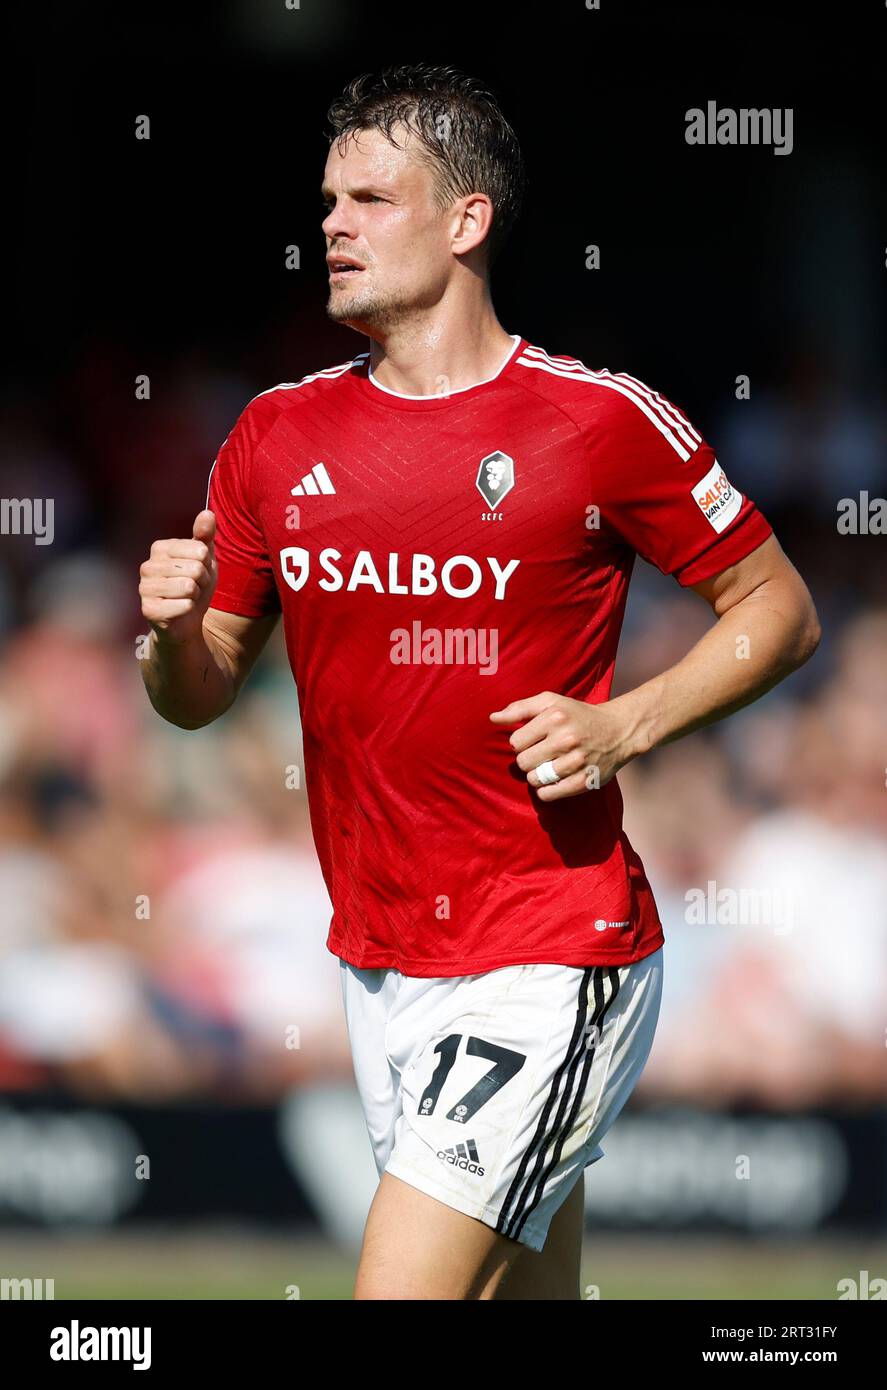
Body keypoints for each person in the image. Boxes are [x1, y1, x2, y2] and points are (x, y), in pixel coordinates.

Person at [138, 64, 821, 1300]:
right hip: (376, 956)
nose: (331, 225)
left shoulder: (597, 420)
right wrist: (174, 638)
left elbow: (777, 606)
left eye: (368, 199)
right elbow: (197, 693)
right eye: (326, 199)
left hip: (550, 944)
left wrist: (626, 722)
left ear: (466, 221)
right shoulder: (274, 435)